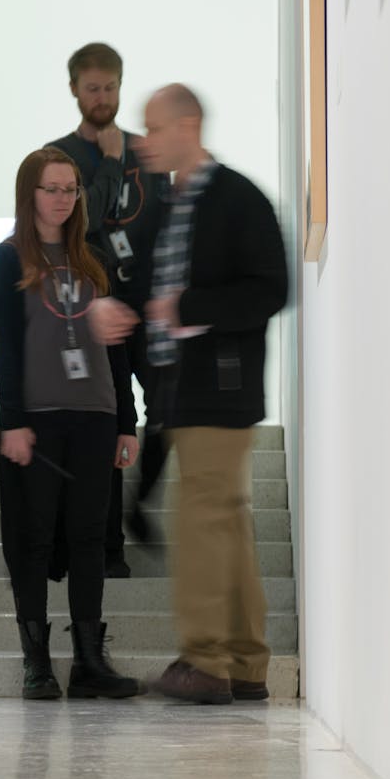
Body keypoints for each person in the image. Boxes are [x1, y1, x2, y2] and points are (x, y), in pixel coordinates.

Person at [90, 84, 289, 705]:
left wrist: (186, 308)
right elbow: (157, 285)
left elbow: (270, 288)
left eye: (154, 127)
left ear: (189, 124)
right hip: (186, 388)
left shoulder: (236, 197)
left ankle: (206, 661)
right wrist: (130, 312)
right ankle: (246, 664)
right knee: (225, 524)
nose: (144, 141)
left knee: (203, 520)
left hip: (220, 387)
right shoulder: (177, 202)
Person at [0, 146, 142, 701]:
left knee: (88, 541)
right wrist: (13, 421)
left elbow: (117, 351)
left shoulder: (94, 260)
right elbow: (3, 347)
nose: (62, 199)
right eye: (51, 188)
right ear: (29, 194)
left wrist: (128, 420)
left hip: (95, 418)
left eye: (70, 189)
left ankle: (89, 662)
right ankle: (36, 663)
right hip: (38, 423)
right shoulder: (9, 258)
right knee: (31, 541)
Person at [48, 43, 172, 575]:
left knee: (166, 406)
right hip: (89, 309)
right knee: (108, 421)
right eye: (92, 88)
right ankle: (109, 545)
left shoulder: (152, 153)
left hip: (150, 306)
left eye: (111, 87)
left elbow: (168, 225)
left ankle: (141, 505)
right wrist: (115, 158)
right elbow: (85, 216)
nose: (102, 98)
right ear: (74, 89)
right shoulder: (59, 157)